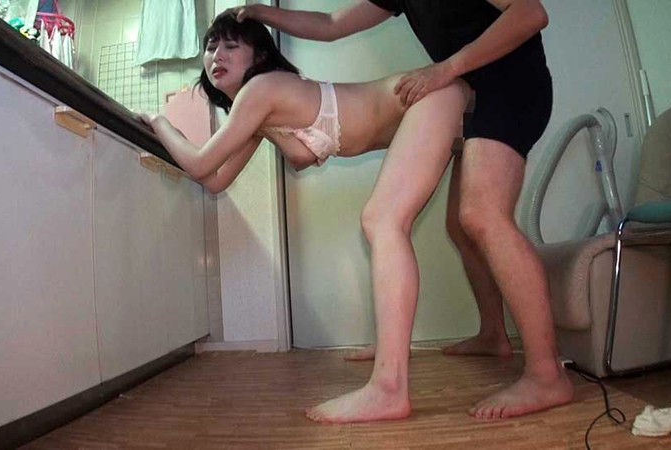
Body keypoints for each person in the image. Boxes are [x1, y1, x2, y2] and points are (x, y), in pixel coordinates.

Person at [231, 0, 574, 421]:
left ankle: (546, 374)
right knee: (461, 224)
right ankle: (493, 334)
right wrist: (265, 13)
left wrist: (445, 70)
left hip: (511, 83)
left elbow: (530, 13)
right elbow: (331, 23)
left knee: (482, 214)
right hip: (474, 93)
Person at [138, 11, 471, 423]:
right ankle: (487, 336)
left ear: (260, 55)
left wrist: (160, 123)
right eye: (210, 47)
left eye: (231, 45)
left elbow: (202, 163)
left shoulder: (260, 89)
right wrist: (177, 139)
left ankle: (390, 389)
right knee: (465, 227)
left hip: (429, 96)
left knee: (385, 221)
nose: (216, 55)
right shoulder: (257, 111)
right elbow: (217, 180)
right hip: (437, 103)